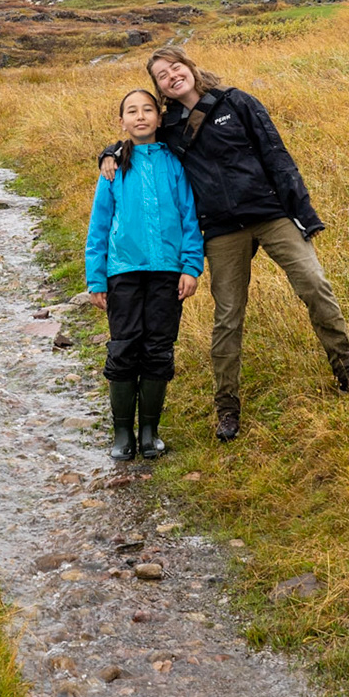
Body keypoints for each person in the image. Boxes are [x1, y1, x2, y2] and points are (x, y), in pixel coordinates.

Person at [100, 45, 349, 443]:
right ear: (159, 88)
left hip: (271, 214)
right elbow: (137, 138)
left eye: (175, 67)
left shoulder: (238, 102)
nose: (172, 76)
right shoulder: (169, 126)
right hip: (221, 230)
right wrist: (108, 153)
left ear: (190, 67)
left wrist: (304, 213)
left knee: (315, 286)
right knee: (228, 315)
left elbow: (276, 155)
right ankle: (227, 408)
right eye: (162, 75)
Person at [84, 88, 205, 461]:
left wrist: (190, 266)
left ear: (158, 117)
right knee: (124, 348)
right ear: (122, 122)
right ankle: (122, 434)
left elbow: (189, 217)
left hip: (168, 272)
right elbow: (99, 226)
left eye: (147, 110)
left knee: (158, 349)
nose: (140, 117)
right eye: (132, 112)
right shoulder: (114, 167)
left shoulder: (174, 162)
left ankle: (149, 432)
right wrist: (96, 278)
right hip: (123, 271)